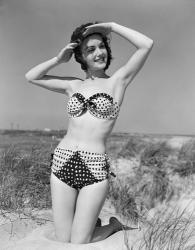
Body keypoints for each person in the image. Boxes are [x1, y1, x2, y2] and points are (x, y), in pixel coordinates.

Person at [25, 21, 153, 244]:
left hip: (94, 166)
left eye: (102, 46)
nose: (99, 52)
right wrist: (58, 60)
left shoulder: (117, 82)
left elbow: (146, 45)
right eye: (90, 49)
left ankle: (113, 225)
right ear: (81, 57)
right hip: (62, 161)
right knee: (63, 238)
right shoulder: (73, 85)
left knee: (80, 241)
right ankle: (92, 224)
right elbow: (31, 76)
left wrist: (111, 26)